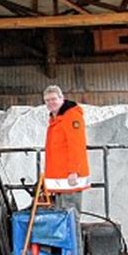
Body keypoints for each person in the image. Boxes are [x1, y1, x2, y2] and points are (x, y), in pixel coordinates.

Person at [42, 85, 89, 213]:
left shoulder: (71, 117)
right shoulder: (56, 119)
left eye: (53, 99)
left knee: (70, 215)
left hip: (69, 176)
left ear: (61, 98)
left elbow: (76, 145)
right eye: (47, 100)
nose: (51, 103)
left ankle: (75, 234)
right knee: (62, 216)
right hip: (60, 177)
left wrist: (74, 171)